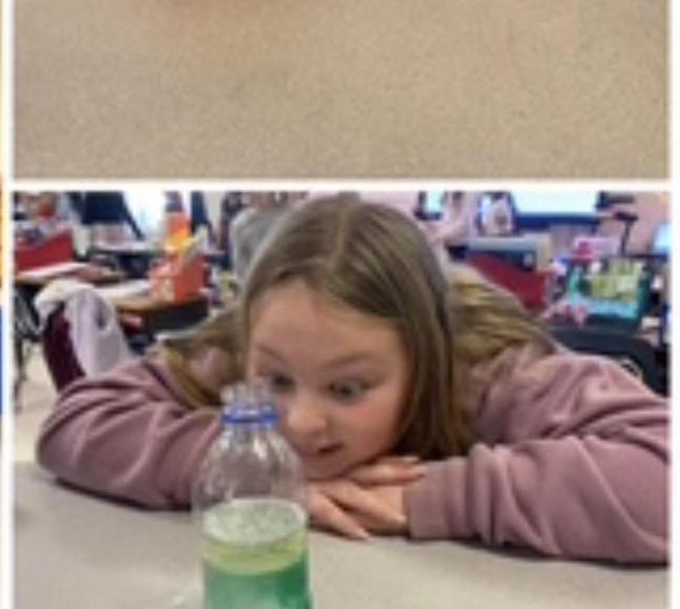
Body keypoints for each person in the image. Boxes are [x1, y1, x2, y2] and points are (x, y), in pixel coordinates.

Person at [37, 196, 667, 564]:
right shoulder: (241, 349)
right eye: (277, 380)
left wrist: (434, 497)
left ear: (423, 362)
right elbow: (74, 420)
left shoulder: (489, 368)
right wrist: (255, 473)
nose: (302, 423)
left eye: (347, 389)